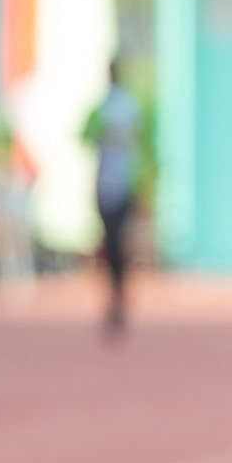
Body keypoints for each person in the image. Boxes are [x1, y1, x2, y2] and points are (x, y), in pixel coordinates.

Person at [83, 60, 143, 335]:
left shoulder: (129, 107)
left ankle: (119, 296)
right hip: (105, 183)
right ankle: (114, 295)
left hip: (123, 182)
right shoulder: (103, 107)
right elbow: (84, 137)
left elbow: (142, 144)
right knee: (110, 243)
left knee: (119, 243)